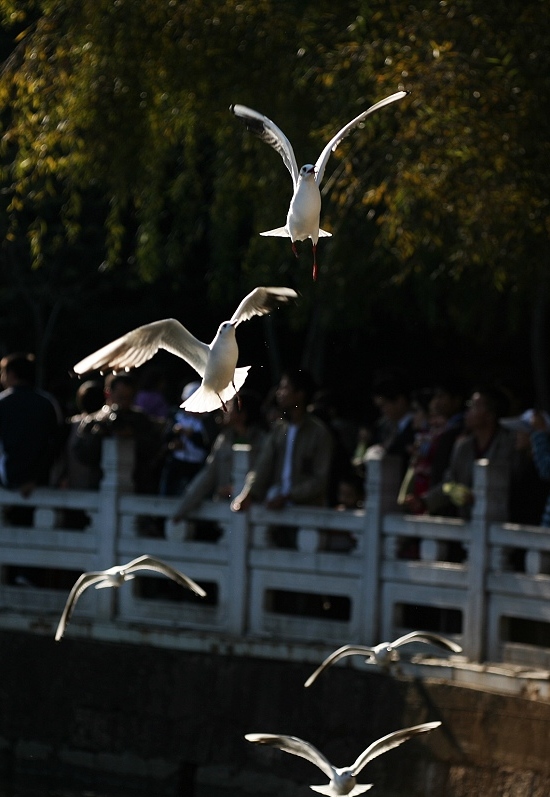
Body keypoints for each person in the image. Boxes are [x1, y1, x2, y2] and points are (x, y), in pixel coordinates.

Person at [231, 368, 333, 511]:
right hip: (277, 508)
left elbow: (319, 480)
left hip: (307, 511)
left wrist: (288, 496)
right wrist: (249, 493)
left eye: (285, 388)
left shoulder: (319, 433)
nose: (279, 393)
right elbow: (263, 465)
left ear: (300, 394)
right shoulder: (279, 429)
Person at [168, 390, 266, 536]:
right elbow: (207, 476)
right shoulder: (224, 439)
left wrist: (239, 490)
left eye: (229, 405)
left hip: (256, 515)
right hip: (225, 514)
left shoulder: (263, 441)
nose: (224, 409)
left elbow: (264, 473)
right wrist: (182, 510)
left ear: (242, 414)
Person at [423, 385, 515, 520]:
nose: (468, 411)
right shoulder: (463, 447)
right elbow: (450, 483)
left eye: (474, 406)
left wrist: (476, 497)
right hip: (468, 522)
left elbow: (513, 486)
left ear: (490, 415)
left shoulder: (509, 446)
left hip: (501, 523)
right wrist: (425, 501)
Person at [74, 373, 163, 494]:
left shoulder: (141, 420)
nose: (124, 403)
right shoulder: (94, 421)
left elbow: (154, 450)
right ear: (108, 393)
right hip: (99, 486)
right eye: (121, 397)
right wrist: (100, 433)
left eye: (129, 398)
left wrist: (132, 436)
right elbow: (82, 454)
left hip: (137, 486)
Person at [0, 352, 62, 498]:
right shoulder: (48, 402)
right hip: (42, 481)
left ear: (11, 374)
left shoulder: (2, 403)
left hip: (8, 480)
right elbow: (56, 442)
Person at [158, 382, 212, 496]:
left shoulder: (207, 422)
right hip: (176, 463)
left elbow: (208, 443)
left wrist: (191, 435)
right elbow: (165, 437)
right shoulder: (177, 417)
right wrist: (173, 441)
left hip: (197, 465)